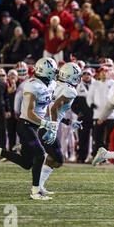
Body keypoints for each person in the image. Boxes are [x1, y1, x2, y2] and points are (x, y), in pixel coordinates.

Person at [0, 57, 59, 200]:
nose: (55, 73)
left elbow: (46, 107)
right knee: (41, 155)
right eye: (52, 71)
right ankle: (35, 192)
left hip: (36, 125)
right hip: (26, 125)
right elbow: (29, 112)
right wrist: (46, 124)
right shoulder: (32, 85)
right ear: (44, 71)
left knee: (27, 163)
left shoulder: (51, 83)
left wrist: (51, 121)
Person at [39, 62, 83, 195]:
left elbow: (54, 109)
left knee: (52, 158)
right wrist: (52, 129)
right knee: (58, 160)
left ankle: (38, 185)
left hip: (42, 124)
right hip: (47, 127)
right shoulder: (70, 90)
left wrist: (68, 122)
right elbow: (54, 108)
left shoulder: (55, 84)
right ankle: (37, 185)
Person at [88, 66, 114, 158]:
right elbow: (89, 97)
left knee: (111, 136)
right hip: (98, 114)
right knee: (97, 136)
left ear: (108, 74)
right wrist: (91, 104)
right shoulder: (95, 84)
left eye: (106, 72)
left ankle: (109, 156)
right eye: (102, 72)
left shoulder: (113, 83)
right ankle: (96, 155)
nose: (104, 74)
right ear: (99, 74)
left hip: (111, 114)